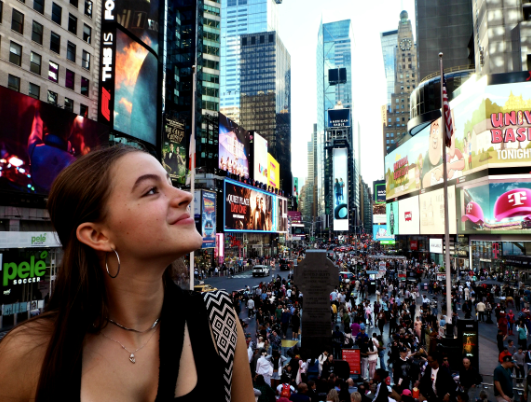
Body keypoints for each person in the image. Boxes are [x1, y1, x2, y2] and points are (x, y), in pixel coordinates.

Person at [0, 146, 254, 401]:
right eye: (152, 190)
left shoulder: (218, 318)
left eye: (170, 183)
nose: (185, 196)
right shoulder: (27, 353)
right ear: (98, 235)